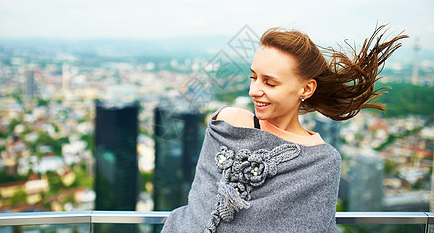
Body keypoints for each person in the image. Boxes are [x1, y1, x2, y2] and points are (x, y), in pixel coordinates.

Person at [161, 24, 408, 233]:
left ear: (306, 89)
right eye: (253, 77)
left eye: (269, 82)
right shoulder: (228, 123)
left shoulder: (322, 162)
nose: (254, 90)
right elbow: (200, 206)